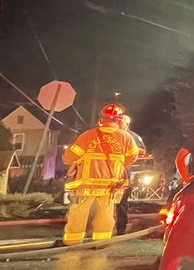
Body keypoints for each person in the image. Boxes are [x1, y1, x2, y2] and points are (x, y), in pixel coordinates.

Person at [61, 103, 140, 245]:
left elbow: (69, 157)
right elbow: (131, 158)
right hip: (111, 184)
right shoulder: (126, 138)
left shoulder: (88, 136)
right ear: (118, 120)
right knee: (106, 212)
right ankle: (101, 241)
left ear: (101, 118)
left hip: (87, 183)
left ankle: (73, 241)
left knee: (79, 210)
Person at [114, 113, 148, 236]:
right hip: (108, 174)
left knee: (121, 202)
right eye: (117, 121)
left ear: (127, 124)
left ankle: (121, 228)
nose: (118, 124)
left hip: (124, 174)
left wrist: (129, 151)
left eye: (121, 122)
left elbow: (142, 151)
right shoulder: (112, 135)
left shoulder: (133, 136)